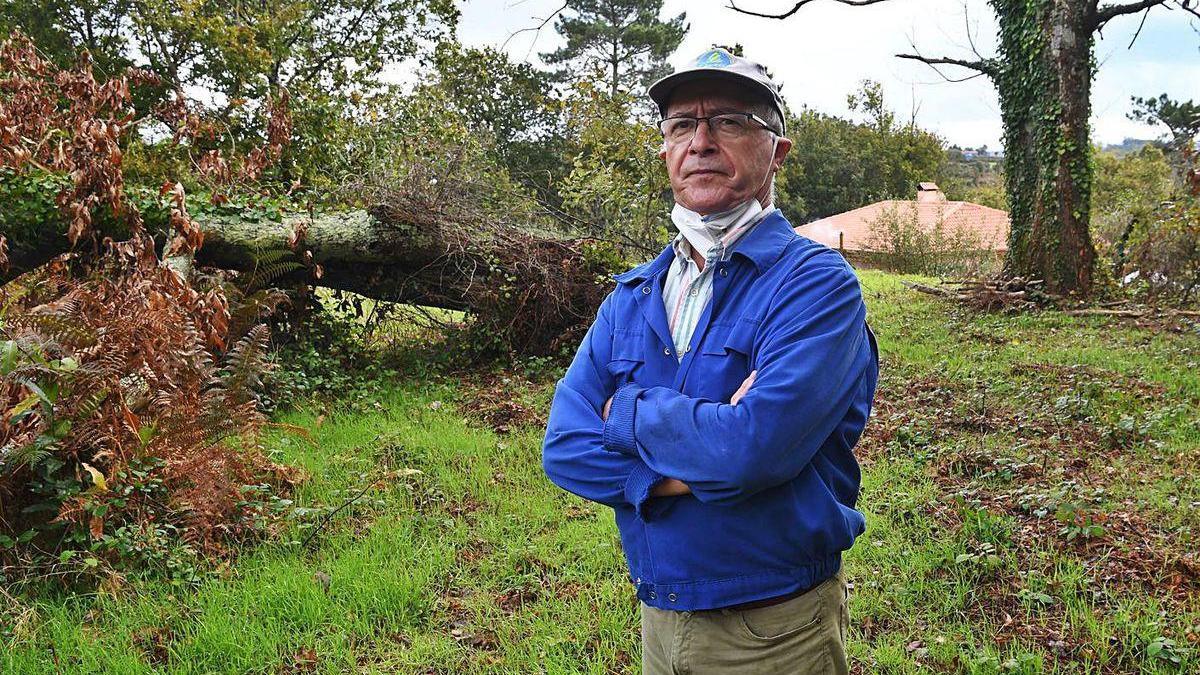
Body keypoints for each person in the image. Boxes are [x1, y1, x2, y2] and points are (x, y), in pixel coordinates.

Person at [541, 47, 879, 674]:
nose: (700, 141)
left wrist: (627, 410)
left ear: (777, 150)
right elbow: (563, 448)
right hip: (658, 619)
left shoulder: (816, 286)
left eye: (728, 119)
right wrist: (685, 469)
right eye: (680, 125)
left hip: (774, 630)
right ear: (666, 151)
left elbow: (753, 450)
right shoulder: (633, 296)